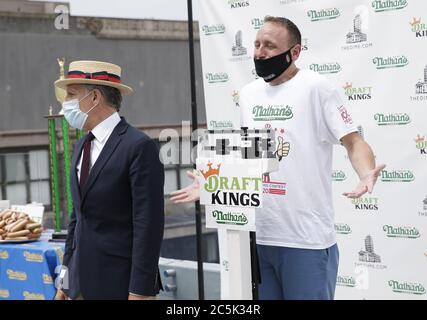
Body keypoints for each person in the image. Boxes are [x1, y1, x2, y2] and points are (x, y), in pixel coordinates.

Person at [171, 16, 385, 300]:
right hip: (260, 235)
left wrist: (365, 172)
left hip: (306, 241)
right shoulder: (249, 94)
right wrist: (213, 184)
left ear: (294, 52)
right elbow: (246, 156)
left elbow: (354, 141)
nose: (260, 52)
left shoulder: (317, 88)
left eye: (270, 46)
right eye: (257, 44)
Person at [54, 60, 164, 300]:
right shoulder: (82, 145)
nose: (65, 103)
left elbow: (148, 226)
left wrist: (139, 292)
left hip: (119, 285)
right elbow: (77, 220)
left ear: (94, 97)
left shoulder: (138, 147)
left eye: (72, 95)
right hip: (79, 285)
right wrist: (64, 281)